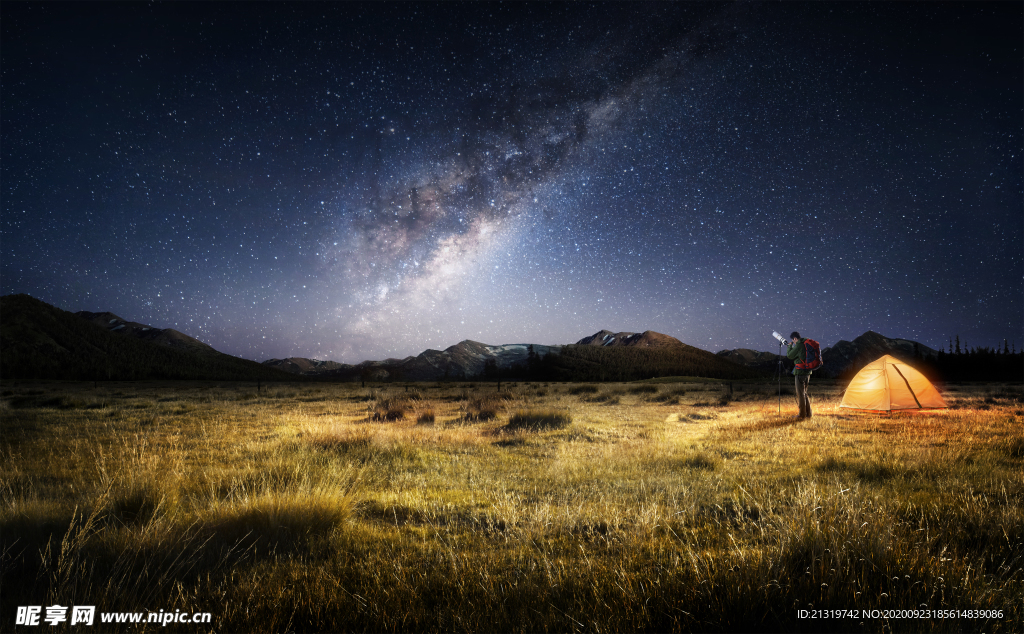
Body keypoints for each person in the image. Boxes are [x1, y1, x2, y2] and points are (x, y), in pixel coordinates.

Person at [786, 331, 813, 419]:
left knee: (800, 394)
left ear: (795, 338)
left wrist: (789, 346)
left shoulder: (799, 345)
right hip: (807, 372)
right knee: (805, 393)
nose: (793, 342)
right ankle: (808, 414)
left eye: (793, 340)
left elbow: (790, 356)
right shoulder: (805, 343)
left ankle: (801, 415)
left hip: (800, 372)